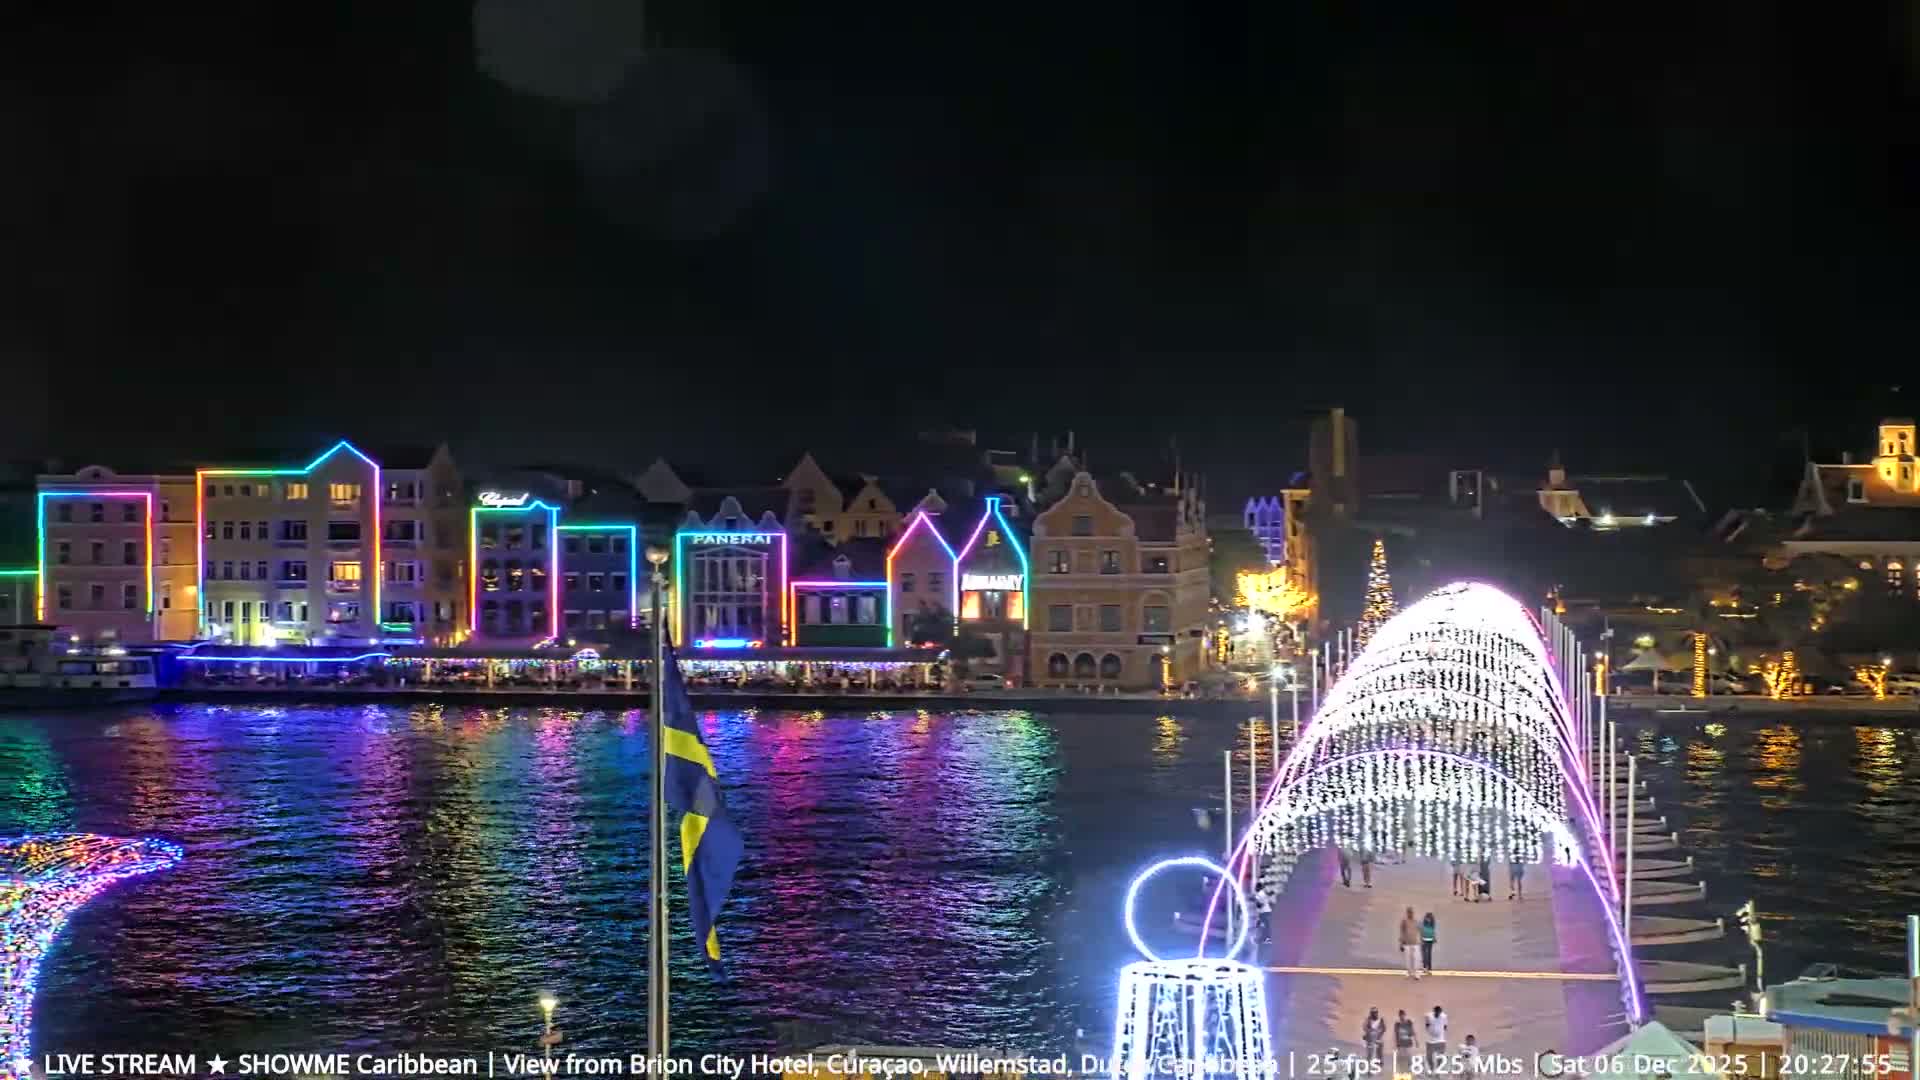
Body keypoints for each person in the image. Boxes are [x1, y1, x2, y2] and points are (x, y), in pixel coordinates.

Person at [1424, 1005, 1448, 1071]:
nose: (1438, 1014)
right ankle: (1432, 1069)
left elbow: (1445, 1026)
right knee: (1429, 1057)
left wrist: (1440, 1032)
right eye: (1436, 1012)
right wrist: (1430, 1031)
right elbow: (1426, 1025)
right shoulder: (1428, 1016)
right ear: (1434, 1011)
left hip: (1440, 1040)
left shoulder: (1444, 1016)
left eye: (1439, 1013)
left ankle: (1437, 1070)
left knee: (1440, 1057)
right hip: (1430, 1040)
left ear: (1441, 1012)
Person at [1399, 906, 1421, 979]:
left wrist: (1421, 940)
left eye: (1411, 912)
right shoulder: (1404, 921)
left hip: (1415, 943)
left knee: (1416, 959)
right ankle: (1408, 972)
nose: (1410, 914)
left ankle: (1416, 973)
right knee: (1407, 959)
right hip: (1407, 943)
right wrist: (1401, 943)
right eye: (1409, 912)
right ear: (1407, 913)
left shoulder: (1416, 921)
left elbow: (1419, 931)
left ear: (1413, 913)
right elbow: (1402, 932)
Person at [1392, 1010, 1416, 1074]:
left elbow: (1413, 1032)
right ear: (1399, 1016)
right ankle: (1401, 1071)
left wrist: (1416, 1041)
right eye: (1400, 1015)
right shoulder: (1397, 1024)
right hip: (1401, 1043)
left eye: (1403, 1015)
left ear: (1405, 1015)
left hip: (1408, 1043)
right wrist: (1396, 1043)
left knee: (1409, 1056)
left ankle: (1410, 1069)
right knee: (1401, 1057)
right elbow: (1396, 1034)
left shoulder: (1409, 1022)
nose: (1402, 1016)